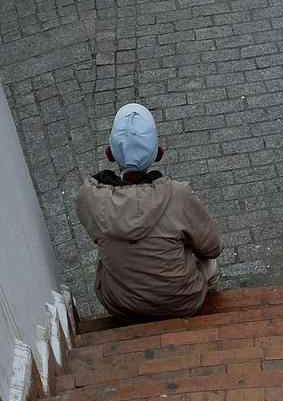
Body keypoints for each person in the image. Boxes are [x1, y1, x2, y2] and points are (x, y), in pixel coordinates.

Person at [75, 104, 223, 322]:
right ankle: (213, 313)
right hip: (181, 303)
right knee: (210, 265)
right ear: (159, 154)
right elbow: (212, 247)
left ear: (109, 154)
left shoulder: (88, 198)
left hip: (121, 305)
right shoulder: (179, 195)